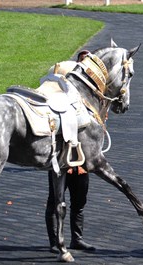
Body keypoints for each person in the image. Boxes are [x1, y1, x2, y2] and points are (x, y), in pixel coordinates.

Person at [45, 51, 96, 253]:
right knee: (55, 200)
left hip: (81, 160)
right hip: (60, 158)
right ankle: (54, 242)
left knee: (79, 201)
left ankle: (77, 238)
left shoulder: (89, 103)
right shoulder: (60, 98)